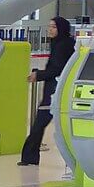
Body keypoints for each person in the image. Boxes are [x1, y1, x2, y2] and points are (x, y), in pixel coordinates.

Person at [19, 16, 76, 167]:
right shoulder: (60, 43)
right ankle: (30, 157)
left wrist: (38, 75)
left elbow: (57, 69)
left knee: (40, 122)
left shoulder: (63, 45)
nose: (50, 29)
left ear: (61, 28)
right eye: (49, 26)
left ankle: (29, 157)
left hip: (55, 90)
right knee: (41, 122)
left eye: (53, 27)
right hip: (54, 87)